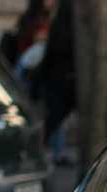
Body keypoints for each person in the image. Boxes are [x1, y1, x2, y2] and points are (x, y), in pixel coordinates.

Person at [33, 0, 74, 165]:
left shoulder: (57, 28)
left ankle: (48, 151)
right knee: (53, 121)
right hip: (65, 82)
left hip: (57, 81)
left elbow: (48, 58)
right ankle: (50, 152)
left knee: (53, 121)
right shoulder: (69, 30)